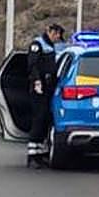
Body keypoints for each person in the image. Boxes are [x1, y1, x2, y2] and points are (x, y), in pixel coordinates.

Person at [27, 23, 67, 162]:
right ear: (51, 32)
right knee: (39, 118)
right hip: (39, 88)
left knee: (45, 119)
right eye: (56, 35)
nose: (57, 38)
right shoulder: (38, 44)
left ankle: (41, 151)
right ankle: (33, 153)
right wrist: (37, 82)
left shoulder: (50, 46)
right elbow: (32, 66)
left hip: (49, 89)